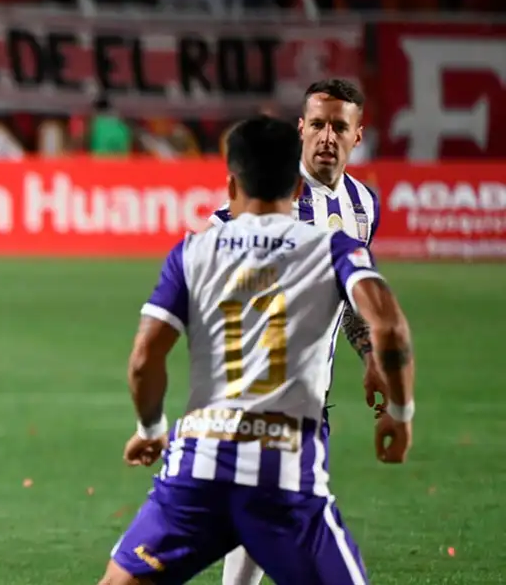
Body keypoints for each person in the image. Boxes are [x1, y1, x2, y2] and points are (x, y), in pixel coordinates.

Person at [100, 115, 415, 585]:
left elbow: (145, 356)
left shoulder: (192, 251)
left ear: (231, 182)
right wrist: (399, 413)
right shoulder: (333, 247)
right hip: (282, 471)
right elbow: (388, 325)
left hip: (196, 468)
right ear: (297, 183)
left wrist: (149, 428)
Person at [207, 80, 385, 585]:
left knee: (262, 530)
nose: (328, 136)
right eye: (319, 125)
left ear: (357, 135)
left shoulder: (363, 207)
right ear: (301, 129)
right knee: (292, 530)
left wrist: (369, 353)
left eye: (340, 127)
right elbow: (213, 242)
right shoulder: (272, 189)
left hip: (311, 403)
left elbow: (350, 298)